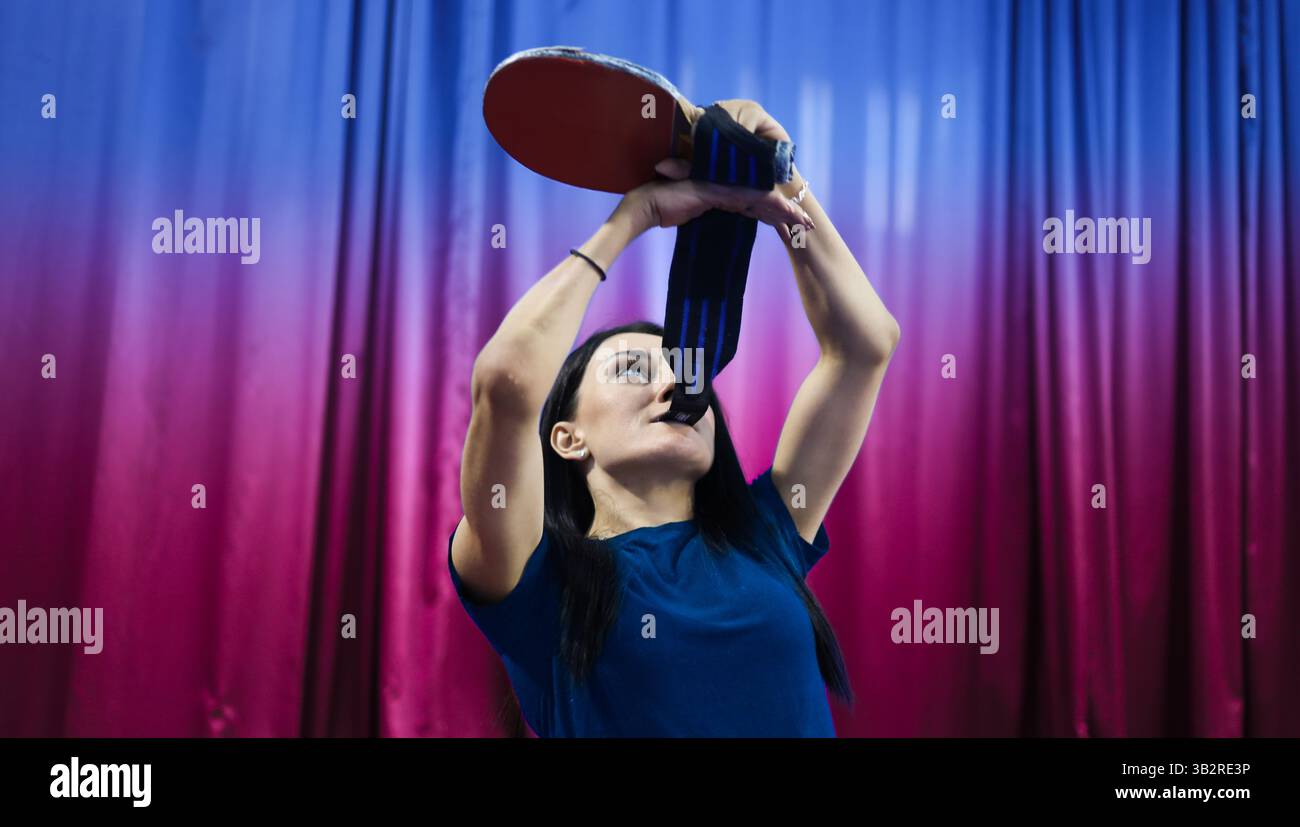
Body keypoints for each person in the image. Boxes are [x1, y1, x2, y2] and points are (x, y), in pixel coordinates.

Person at [448, 100, 900, 736]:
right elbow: (507, 381)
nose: (674, 382)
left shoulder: (766, 537)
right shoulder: (535, 581)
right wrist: (637, 215)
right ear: (568, 438)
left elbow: (867, 344)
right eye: (633, 369)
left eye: (686, 371)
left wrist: (780, 179)